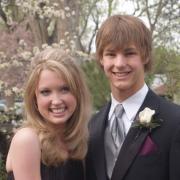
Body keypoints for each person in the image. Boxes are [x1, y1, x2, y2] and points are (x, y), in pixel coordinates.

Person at [85, 14, 180, 180]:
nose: (120, 63)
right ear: (101, 58)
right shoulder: (92, 126)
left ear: (145, 55)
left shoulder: (175, 120)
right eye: (111, 54)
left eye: (129, 53)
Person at [6, 48, 92, 180]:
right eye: (46, 92)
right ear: (34, 98)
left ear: (78, 93)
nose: (56, 101)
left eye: (65, 89)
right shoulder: (27, 140)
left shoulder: (79, 141)